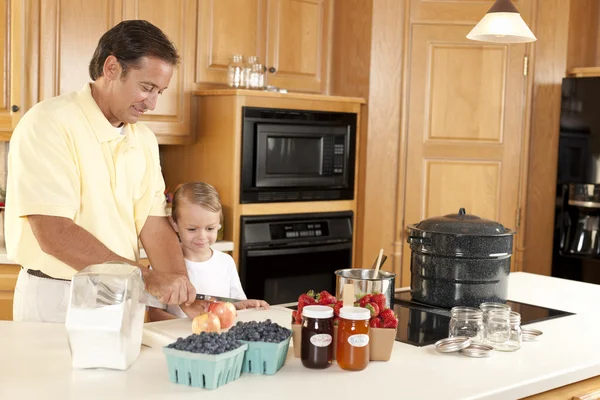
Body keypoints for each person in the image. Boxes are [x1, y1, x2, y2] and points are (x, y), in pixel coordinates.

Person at [5, 20, 206, 323]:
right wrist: (147, 277)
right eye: (147, 87)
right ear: (111, 68)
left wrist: (181, 287)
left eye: (160, 92)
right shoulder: (49, 123)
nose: (151, 103)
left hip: (125, 296)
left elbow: (153, 225)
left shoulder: (144, 140)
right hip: (59, 298)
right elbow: (55, 234)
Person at [148, 182, 269, 321]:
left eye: (210, 228)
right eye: (192, 229)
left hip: (217, 339)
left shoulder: (226, 262)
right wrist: (190, 323)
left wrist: (245, 306)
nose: (202, 236)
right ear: (174, 223)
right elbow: (154, 314)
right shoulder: (161, 264)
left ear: (219, 224)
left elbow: (233, 304)